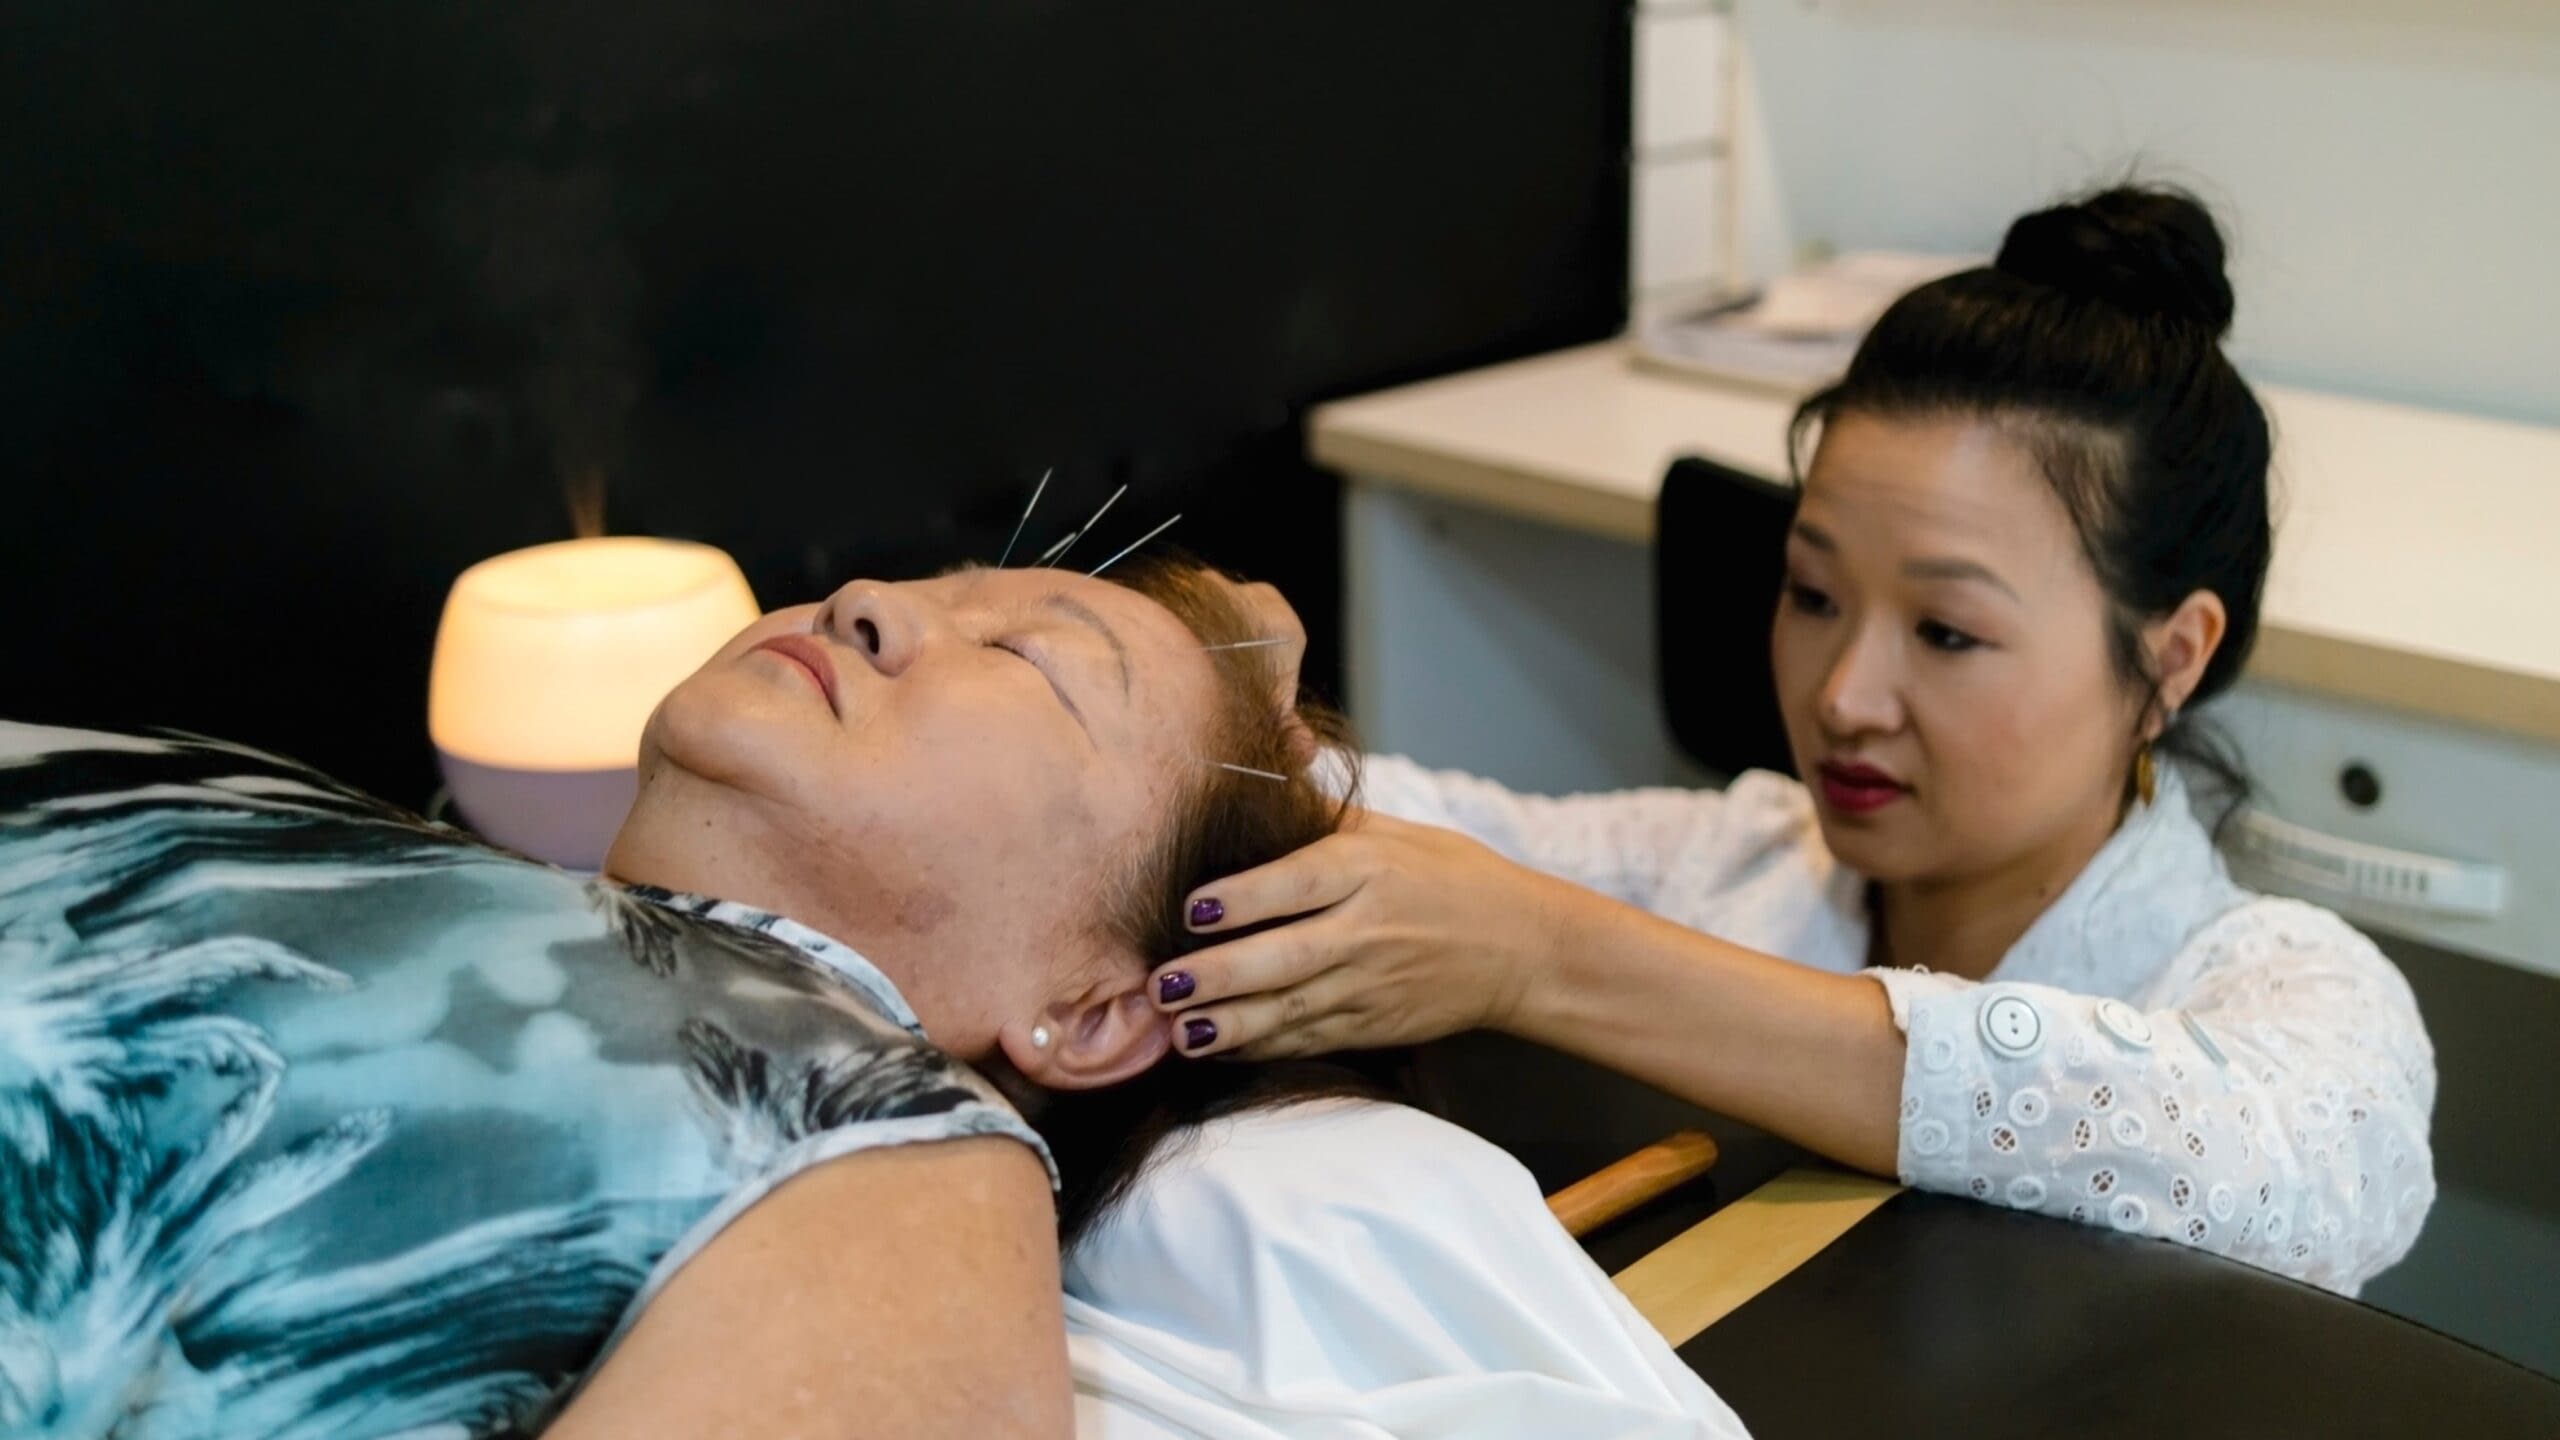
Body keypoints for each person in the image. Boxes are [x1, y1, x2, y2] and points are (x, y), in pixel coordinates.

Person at [1, 556, 1745, 1439]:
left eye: (1036, 663)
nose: (874, 601)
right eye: (926, 581)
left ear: (1088, 1010)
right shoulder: (308, 818)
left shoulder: (873, 1162)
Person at [1150, 186, 2439, 1295]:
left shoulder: (2291, 992)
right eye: (1814, 596)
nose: (1845, 698)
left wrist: (1544, 958)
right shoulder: (1742, 863)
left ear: (2172, 656)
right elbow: (1441, 830)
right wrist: (1191, 702)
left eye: (1945, 632)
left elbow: (2303, 1170)